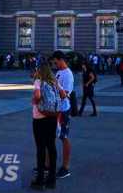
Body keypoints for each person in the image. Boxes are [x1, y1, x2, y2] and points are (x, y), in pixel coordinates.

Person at [31, 66, 58, 190]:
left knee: (41, 148)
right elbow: (63, 96)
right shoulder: (53, 82)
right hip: (52, 116)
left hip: (40, 118)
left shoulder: (38, 81)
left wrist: (35, 101)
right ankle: (52, 180)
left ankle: (40, 180)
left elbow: (37, 96)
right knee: (51, 146)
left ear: (40, 71)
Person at [52, 51, 74, 179]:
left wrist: (54, 86)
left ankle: (65, 167)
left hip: (63, 110)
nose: (54, 64)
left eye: (55, 61)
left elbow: (64, 94)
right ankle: (47, 165)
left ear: (60, 60)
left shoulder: (68, 75)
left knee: (63, 137)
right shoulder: (59, 72)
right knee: (51, 136)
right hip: (55, 109)